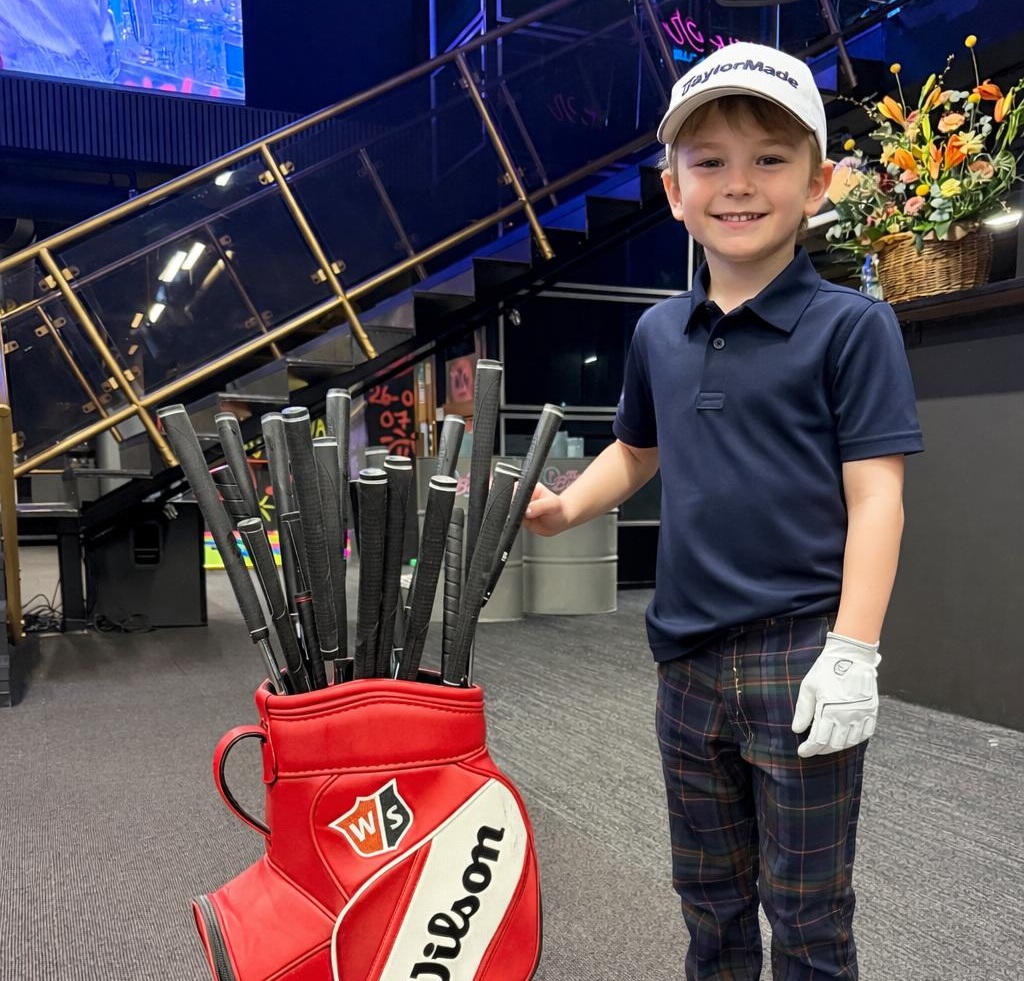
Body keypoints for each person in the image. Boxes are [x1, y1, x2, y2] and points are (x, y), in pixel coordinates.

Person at [524, 40, 923, 981]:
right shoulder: (658, 331)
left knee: (809, 909)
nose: (738, 184)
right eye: (709, 162)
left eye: (769, 159)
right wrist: (565, 510)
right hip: (685, 655)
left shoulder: (853, 327)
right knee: (708, 897)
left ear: (817, 184)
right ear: (674, 190)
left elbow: (878, 498)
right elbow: (638, 448)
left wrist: (854, 651)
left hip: (802, 654)